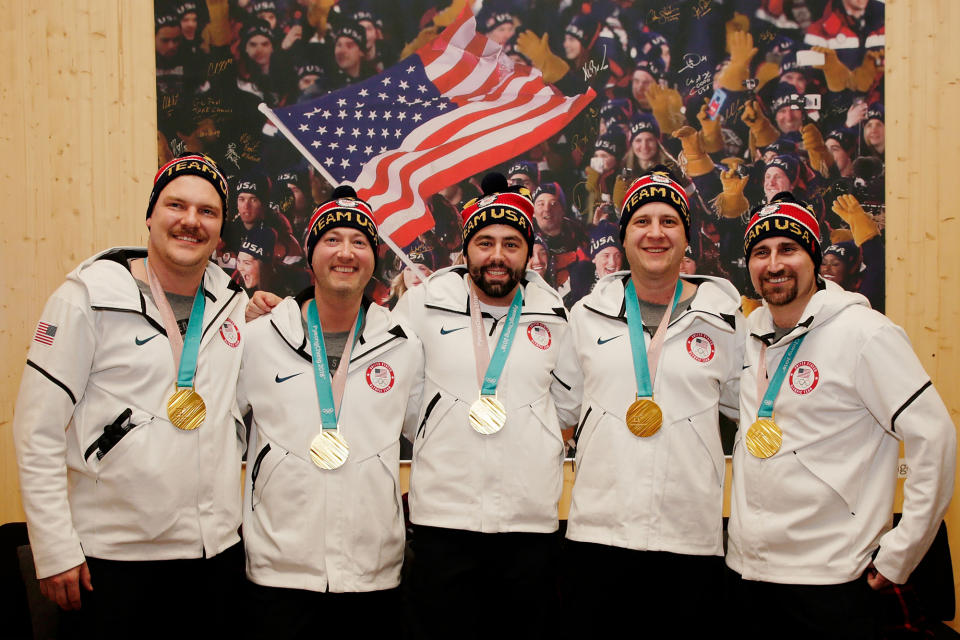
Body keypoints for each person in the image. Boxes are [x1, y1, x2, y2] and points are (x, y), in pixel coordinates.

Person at [13, 154, 247, 638]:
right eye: (176, 205)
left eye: (208, 212)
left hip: (215, 557)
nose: (190, 221)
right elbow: (36, 430)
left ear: (221, 229)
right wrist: (54, 548)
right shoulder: (86, 296)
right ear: (150, 214)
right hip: (112, 561)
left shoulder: (234, 305)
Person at [728, 192, 955, 638]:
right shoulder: (749, 335)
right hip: (749, 577)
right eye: (761, 252)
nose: (774, 263)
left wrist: (901, 554)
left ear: (814, 257)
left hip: (834, 583)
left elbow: (937, 437)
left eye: (788, 249)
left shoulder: (865, 333)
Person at [559, 167, 744, 637]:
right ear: (624, 238)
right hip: (599, 534)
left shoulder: (725, 320)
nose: (655, 233)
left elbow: (749, 412)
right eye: (642, 221)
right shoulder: (585, 316)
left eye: (669, 221)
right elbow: (559, 414)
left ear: (687, 238)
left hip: (691, 536)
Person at [393, 173, 579, 640]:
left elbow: (567, 405)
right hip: (443, 523)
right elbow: (402, 396)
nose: (497, 256)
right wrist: (443, 424)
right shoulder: (422, 304)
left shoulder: (554, 313)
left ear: (529, 252)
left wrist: (527, 435)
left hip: (528, 523)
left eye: (511, 244)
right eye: (485, 242)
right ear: (465, 249)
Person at [238, 187, 423, 638]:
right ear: (310, 254)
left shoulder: (404, 346)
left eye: (359, 242)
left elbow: (434, 438)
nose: (346, 252)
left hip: (372, 572)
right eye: (332, 239)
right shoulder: (259, 339)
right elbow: (215, 434)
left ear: (374, 259)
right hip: (279, 572)